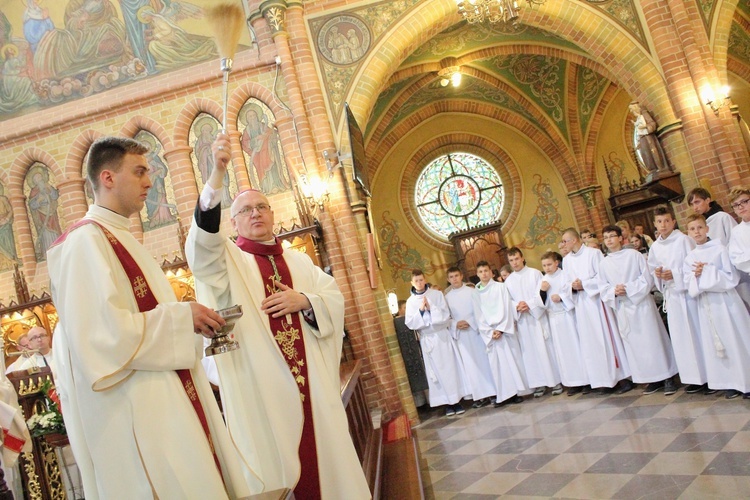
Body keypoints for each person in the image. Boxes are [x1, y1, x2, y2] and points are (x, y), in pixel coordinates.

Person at [47, 136, 250, 499]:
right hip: (138, 415)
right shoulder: (84, 243)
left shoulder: (118, 237)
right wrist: (180, 317)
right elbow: (102, 338)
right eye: (139, 172)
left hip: (161, 399)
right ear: (107, 178)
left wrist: (186, 319)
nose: (149, 182)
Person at [185, 133, 370, 498]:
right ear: (233, 222)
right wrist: (216, 178)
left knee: (328, 463)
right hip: (263, 389)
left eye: (262, 207)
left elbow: (333, 296)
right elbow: (202, 249)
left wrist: (305, 300)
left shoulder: (299, 261)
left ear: (272, 214)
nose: (255, 213)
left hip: (313, 384)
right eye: (246, 210)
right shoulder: (230, 263)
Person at [598, 225, 678, 395]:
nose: (609, 240)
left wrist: (628, 288)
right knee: (635, 345)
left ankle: (667, 376)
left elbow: (647, 278)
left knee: (653, 340)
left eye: (612, 236)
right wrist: (613, 291)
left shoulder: (634, 255)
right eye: (606, 237)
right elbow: (602, 286)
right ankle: (650, 379)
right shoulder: (603, 263)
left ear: (621, 238)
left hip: (641, 304)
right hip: (623, 307)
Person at [684, 214, 750, 399]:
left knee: (735, 339)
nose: (696, 232)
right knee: (718, 343)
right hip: (707, 305)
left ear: (707, 229)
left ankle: (746, 381)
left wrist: (707, 271)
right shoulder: (690, 257)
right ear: (688, 233)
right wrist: (695, 276)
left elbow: (732, 277)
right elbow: (688, 282)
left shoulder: (720, 249)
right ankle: (729, 382)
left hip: (725, 303)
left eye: (699, 227)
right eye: (692, 229)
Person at [560, 228, 632, 394]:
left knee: (607, 337)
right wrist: (573, 286)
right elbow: (565, 284)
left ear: (574, 240)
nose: (563, 245)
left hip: (597, 303)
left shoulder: (593, 254)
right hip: (581, 305)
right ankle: (603, 381)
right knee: (590, 343)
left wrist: (583, 284)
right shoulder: (567, 261)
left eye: (565, 241)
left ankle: (621, 378)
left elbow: (602, 277)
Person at [648, 207, 708, 394]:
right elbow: (652, 270)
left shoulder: (684, 240)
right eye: (659, 222)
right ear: (655, 224)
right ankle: (692, 378)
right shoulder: (655, 247)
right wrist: (658, 274)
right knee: (681, 337)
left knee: (696, 333)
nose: (663, 225)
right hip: (672, 296)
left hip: (689, 295)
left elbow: (694, 263)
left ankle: (706, 376)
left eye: (666, 221)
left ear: (673, 222)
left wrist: (674, 273)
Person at [405, 269, 468, 417]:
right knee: (437, 373)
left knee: (450, 369)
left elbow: (445, 315)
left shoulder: (436, 295)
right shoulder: (410, 302)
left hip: (442, 337)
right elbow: (410, 323)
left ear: (425, 279)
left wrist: (431, 308)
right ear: (412, 283)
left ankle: (456, 401)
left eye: (421, 280)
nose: (419, 283)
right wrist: (421, 311)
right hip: (428, 339)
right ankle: (447, 403)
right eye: (416, 281)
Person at [503, 247, 562, 397]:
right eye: (511, 261)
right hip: (523, 321)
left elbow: (541, 293)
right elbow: (508, 301)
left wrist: (528, 304)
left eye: (516, 259)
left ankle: (555, 382)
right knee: (529, 353)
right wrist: (517, 306)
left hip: (537, 318)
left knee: (545, 349)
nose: (514, 263)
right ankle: (539, 384)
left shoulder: (534, 273)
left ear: (522, 258)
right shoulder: (508, 281)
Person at [472, 261, 527, 406]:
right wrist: (490, 332)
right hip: (491, 334)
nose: (484, 274)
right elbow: (478, 315)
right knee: (497, 365)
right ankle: (503, 395)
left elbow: (507, 307)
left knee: (511, 361)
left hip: (504, 330)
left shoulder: (500, 287)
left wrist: (502, 328)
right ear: (477, 274)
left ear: (491, 272)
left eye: (486, 270)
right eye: (480, 271)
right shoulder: (475, 293)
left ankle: (515, 393)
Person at [444, 266, 495, 408]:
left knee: (483, 362)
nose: (454, 279)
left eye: (456, 275)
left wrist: (471, 322)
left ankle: (492, 392)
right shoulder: (446, 298)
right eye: (451, 277)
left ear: (461, 276)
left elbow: (480, 310)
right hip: (461, 336)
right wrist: (455, 324)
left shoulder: (472, 292)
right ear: (448, 280)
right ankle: (478, 396)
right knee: (470, 366)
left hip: (475, 332)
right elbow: (446, 317)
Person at [540, 251, 589, 395]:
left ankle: (585, 381)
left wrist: (561, 297)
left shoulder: (565, 275)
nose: (547, 268)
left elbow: (572, 291)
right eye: (544, 265)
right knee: (562, 352)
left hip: (568, 316)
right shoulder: (543, 280)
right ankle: (572, 383)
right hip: (554, 319)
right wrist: (543, 292)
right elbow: (539, 301)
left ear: (556, 262)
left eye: (549, 264)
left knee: (576, 347)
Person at [728, 187, 750, 311]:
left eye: (744, 202)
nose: (740, 207)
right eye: (736, 205)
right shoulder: (736, 232)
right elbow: (737, 260)